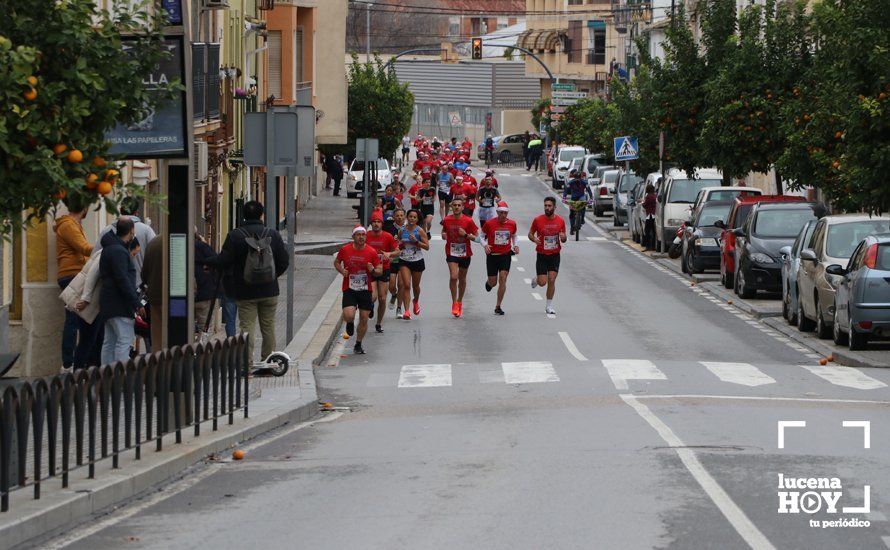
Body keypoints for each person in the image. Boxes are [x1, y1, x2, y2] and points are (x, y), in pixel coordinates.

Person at [217, 201, 289, 363]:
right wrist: (271, 277)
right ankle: (268, 362)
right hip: (270, 291)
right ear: (261, 214)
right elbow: (284, 261)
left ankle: (246, 364)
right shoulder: (273, 234)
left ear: (243, 215)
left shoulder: (235, 236)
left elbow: (224, 261)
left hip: (245, 291)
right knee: (268, 326)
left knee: (246, 327)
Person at [54, 195, 94, 371]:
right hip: (72, 275)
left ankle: (76, 361)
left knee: (77, 319)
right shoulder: (69, 225)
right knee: (72, 319)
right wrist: (105, 247)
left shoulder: (72, 225)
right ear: (84, 208)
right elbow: (84, 247)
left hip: (73, 273)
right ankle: (68, 364)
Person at [98, 218, 143, 364]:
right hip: (120, 304)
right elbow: (123, 280)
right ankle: (120, 379)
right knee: (124, 341)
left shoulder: (109, 248)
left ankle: (106, 378)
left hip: (108, 303)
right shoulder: (119, 251)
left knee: (109, 342)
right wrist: (136, 303)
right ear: (131, 232)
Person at [334, 226, 382, 354]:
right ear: (353, 237)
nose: (361, 237)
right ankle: (349, 323)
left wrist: (372, 270)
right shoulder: (345, 249)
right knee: (349, 315)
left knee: (364, 318)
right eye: (358, 235)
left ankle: (358, 344)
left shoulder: (371, 252)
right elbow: (337, 262)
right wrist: (342, 270)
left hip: (365, 289)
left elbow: (379, 270)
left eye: (363, 235)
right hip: (349, 287)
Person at [94, 196, 156, 287]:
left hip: (113, 287)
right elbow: (154, 256)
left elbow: (95, 257)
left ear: (120, 209)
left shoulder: (107, 231)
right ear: (137, 213)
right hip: (139, 285)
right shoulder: (146, 230)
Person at [528, 197, 567, 315]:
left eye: (549, 206)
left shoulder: (560, 221)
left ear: (555, 207)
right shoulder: (538, 220)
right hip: (542, 255)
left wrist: (563, 238)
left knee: (552, 279)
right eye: (545, 205)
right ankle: (536, 280)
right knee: (542, 282)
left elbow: (564, 238)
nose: (547, 208)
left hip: (555, 255)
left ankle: (549, 306)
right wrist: (534, 239)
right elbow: (530, 234)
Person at [441, 198, 479, 317]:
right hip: (451, 252)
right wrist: (443, 235)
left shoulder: (468, 221)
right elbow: (444, 231)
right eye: (454, 205)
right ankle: (454, 303)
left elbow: (477, 238)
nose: (456, 207)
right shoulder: (446, 220)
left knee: (462, 279)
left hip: (465, 253)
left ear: (463, 207)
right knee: (453, 277)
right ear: (451, 207)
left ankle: (460, 301)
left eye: (459, 205)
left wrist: (466, 235)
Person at [481, 202, 519, 315]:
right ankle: (489, 283)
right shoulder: (489, 223)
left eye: (505, 213)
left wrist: (516, 245)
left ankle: (498, 306)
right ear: (497, 212)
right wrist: (485, 245)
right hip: (492, 256)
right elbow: (481, 236)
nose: (503, 215)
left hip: (505, 255)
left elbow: (514, 235)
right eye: (501, 212)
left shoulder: (512, 223)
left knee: (503, 278)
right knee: (493, 283)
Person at [365, 215, 399, 333]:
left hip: (384, 268)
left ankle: (378, 323)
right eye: (374, 221)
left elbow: (397, 251)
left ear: (382, 224)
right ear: (371, 223)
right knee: (373, 297)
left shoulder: (387, 236)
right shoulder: (366, 235)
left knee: (383, 298)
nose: (376, 224)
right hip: (370, 269)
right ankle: (371, 306)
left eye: (378, 222)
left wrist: (389, 254)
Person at [397, 209, 429, 320]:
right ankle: (406, 311)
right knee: (406, 285)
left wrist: (416, 241)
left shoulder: (419, 231)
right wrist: (400, 244)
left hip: (417, 260)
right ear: (407, 217)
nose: (412, 219)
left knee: (415, 286)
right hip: (404, 260)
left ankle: (415, 300)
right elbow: (399, 245)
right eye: (410, 217)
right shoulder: (401, 230)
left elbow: (427, 247)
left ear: (417, 219)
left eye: (414, 217)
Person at [141, 231, 166, 352]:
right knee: (177, 331)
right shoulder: (182, 241)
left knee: (157, 335)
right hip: (177, 299)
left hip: (155, 296)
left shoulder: (153, 243)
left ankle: (158, 365)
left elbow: (144, 273)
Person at [194, 230, 219, 336]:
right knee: (204, 328)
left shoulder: (177, 246)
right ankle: (203, 351)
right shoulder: (204, 248)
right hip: (205, 294)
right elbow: (217, 263)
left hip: (183, 298)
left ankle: (188, 350)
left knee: (185, 328)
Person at [387, 208, 407, 316]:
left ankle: (399, 308)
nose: (399, 217)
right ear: (394, 217)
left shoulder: (409, 228)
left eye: (401, 215)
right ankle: (394, 295)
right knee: (391, 286)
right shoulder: (389, 228)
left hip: (404, 259)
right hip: (392, 259)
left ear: (405, 217)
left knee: (401, 284)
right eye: (397, 216)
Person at [642, 183, 658, 251]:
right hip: (654, 215)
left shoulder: (648, 196)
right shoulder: (655, 196)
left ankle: (648, 246)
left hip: (650, 215)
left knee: (647, 231)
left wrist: (642, 203)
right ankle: (653, 246)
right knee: (654, 231)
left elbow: (645, 205)